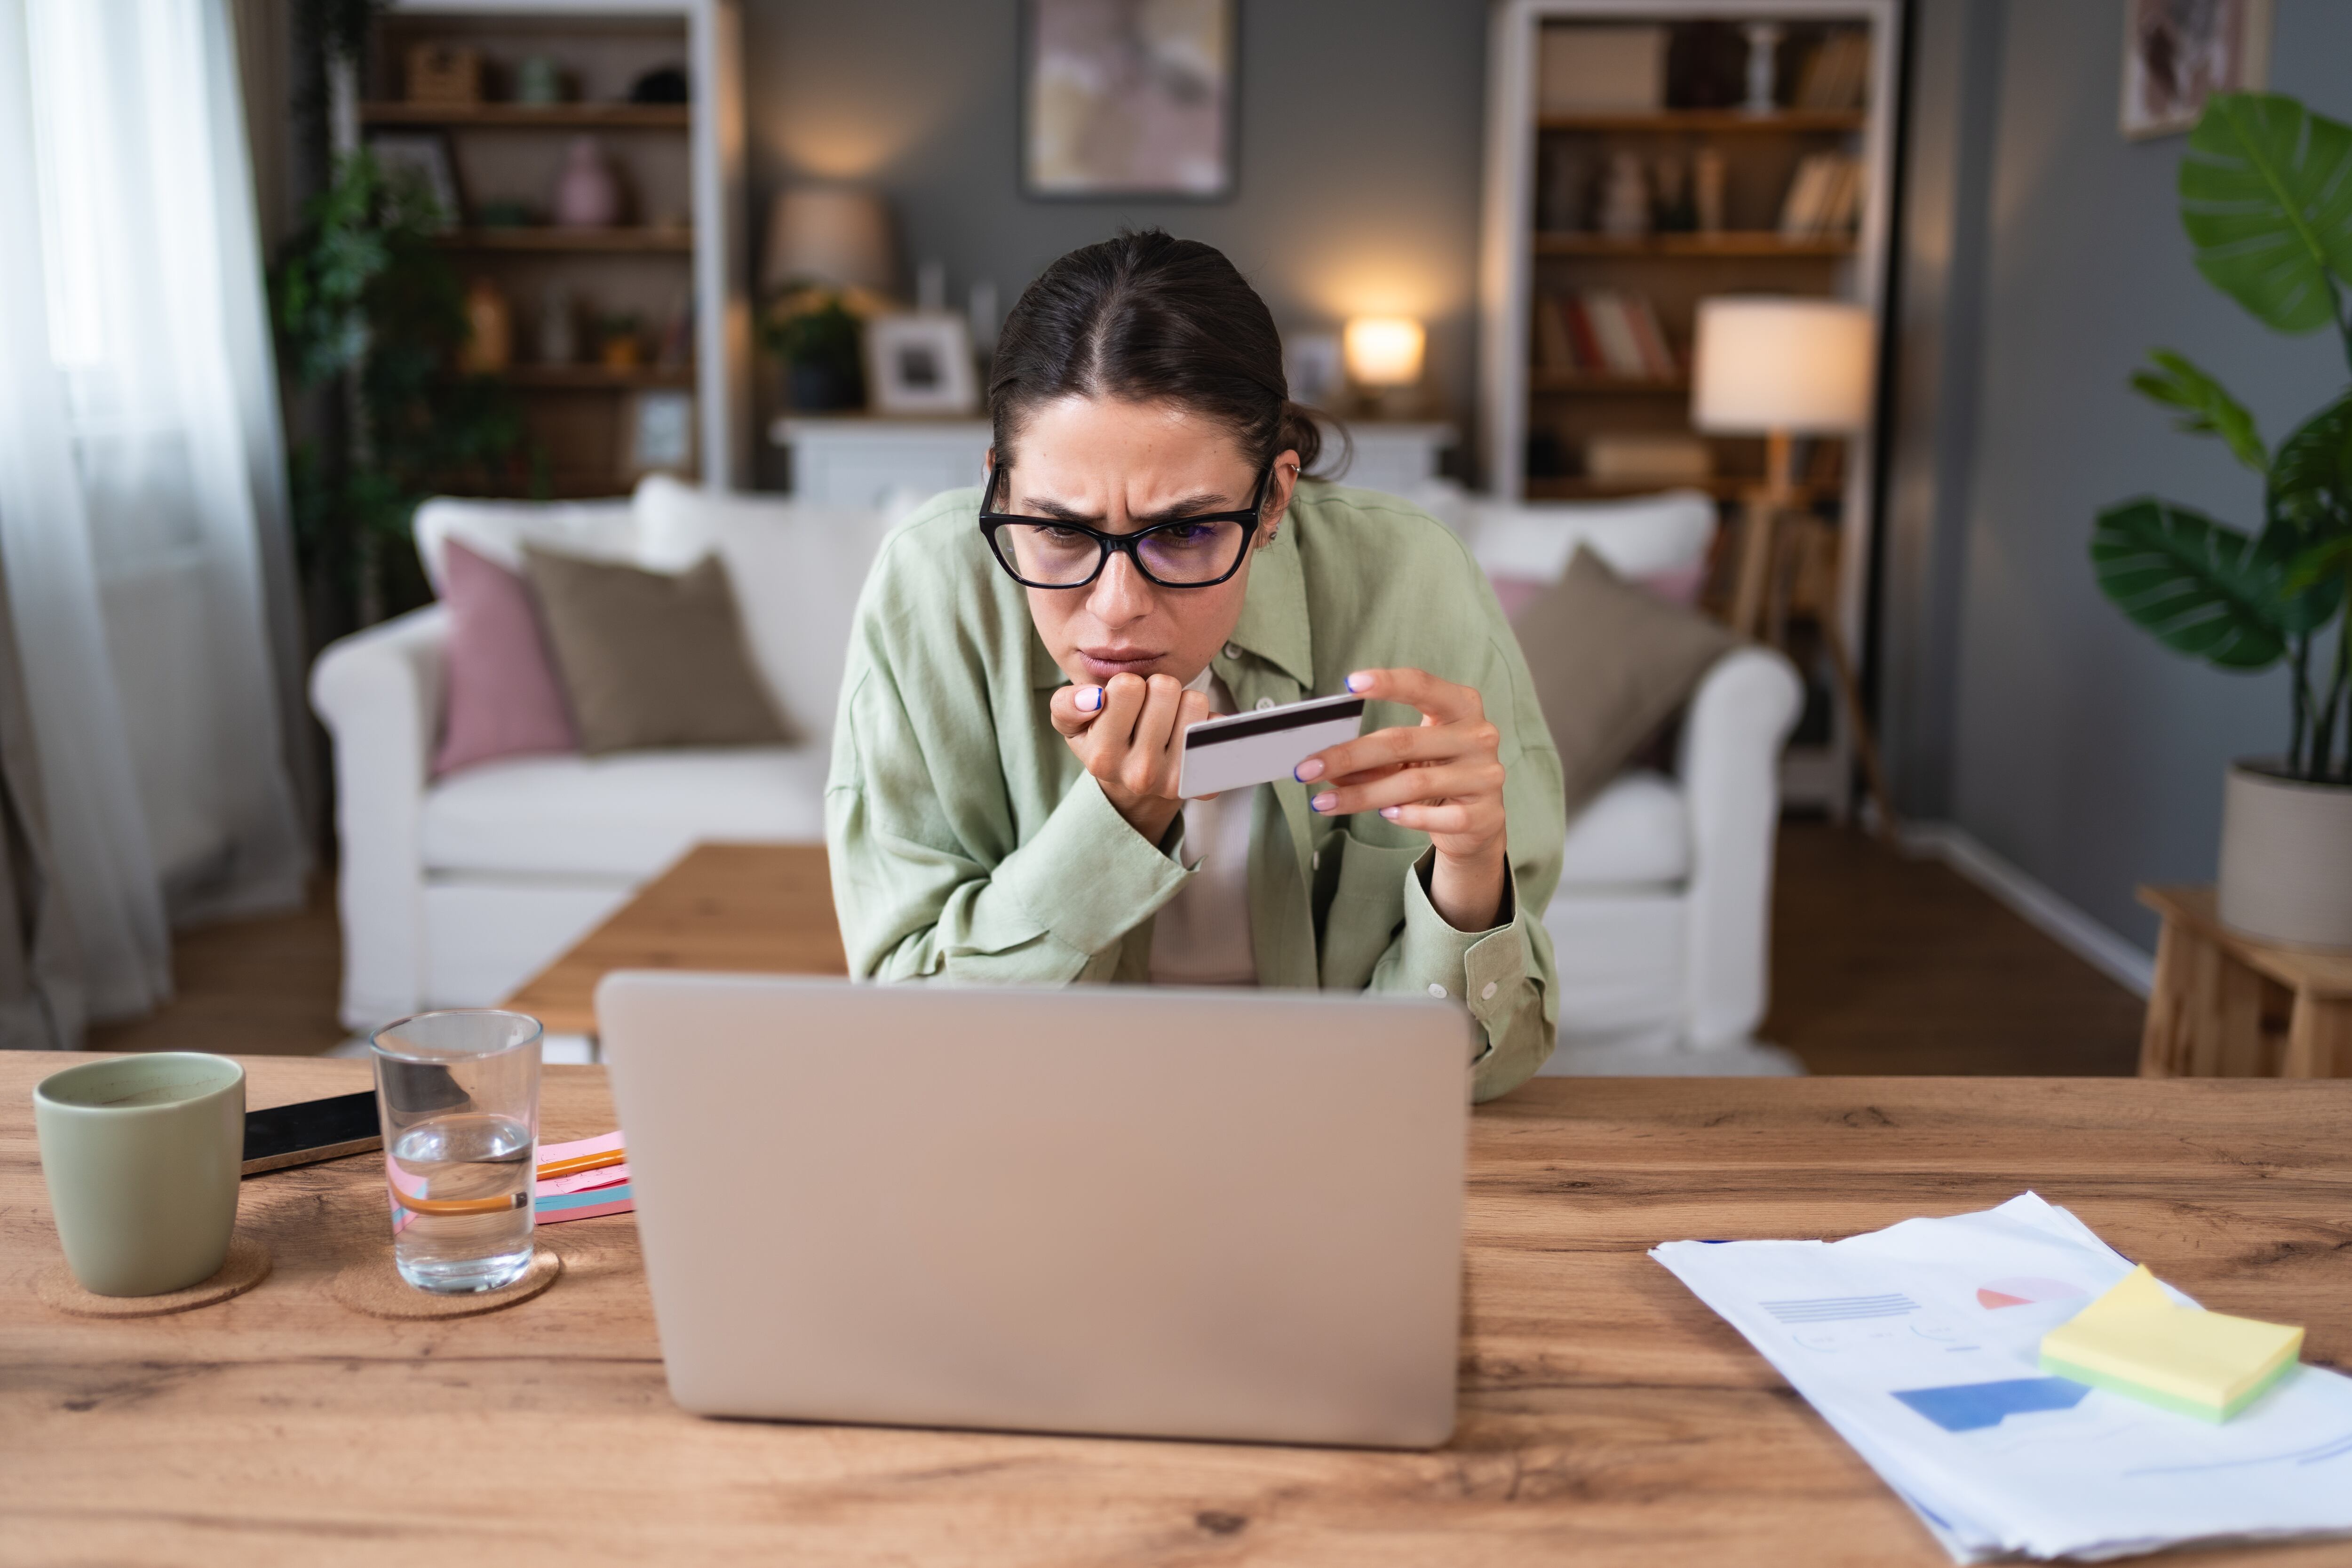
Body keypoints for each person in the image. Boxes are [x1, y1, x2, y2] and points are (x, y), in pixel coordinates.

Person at [826, 231, 1564, 1100]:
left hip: (1322, 1131)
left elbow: (1463, 1073)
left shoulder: (1413, 582)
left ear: (1276, 495)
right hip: (1041, 1141)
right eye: (1061, 530)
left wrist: (1471, 878)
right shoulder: (929, 590)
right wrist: (1116, 825)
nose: (1116, 606)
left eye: (1181, 532)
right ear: (999, 487)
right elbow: (916, 1047)